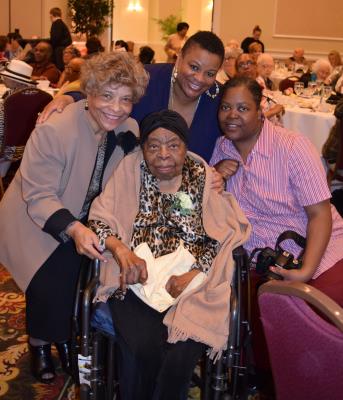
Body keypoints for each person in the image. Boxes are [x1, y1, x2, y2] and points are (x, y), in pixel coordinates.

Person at [0, 52, 149, 384]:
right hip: (36, 217)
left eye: (126, 99)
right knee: (49, 280)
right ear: (90, 93)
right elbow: (38, 195)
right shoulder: (54, 130)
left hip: (86, 219)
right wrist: (73, 226)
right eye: (107, 96)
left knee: (80, 279)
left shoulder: (129, 128)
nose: (116, 107)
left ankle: (66, 341)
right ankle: (40, 345)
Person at [87, 109, 251, 400]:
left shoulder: (199, 172)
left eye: (173, 145)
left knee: (181, 352)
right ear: (143, 148)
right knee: (142, 348)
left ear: (185, 147)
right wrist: (122, 251)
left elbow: (221, 233)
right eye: (153, 145)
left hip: (192, 281)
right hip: (135, 279)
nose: (163, 154)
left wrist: (194, 274)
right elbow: (98, 219)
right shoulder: (130, 169)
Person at [210, 76, 343, 307]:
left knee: (310, 317)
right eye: (225, 107)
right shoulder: (222, 148)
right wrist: (216, 174)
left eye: (243, 108)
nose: (232, 115)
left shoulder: (292, 147)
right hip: (259, 260)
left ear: (260, 111)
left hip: (315, 251)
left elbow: (319, 214)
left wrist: (306, 270)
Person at [37, 31, 226, 163]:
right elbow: (104, 86)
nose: (200, 79)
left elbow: (241, 138)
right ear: (179, 58)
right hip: (130, 185)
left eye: (210, 73)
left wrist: (221, 167)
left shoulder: (221, 101)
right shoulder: (148, 77)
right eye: (193, 67)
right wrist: (71, 97)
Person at [236, 54, 284, 123]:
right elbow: (250, 120)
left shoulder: (258, 83)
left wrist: (276, 107)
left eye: (249, 63)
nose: (246, 67)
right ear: (237, 70)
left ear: (255, 66)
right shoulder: (239, 89)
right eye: (241, 64)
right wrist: (273, 111)